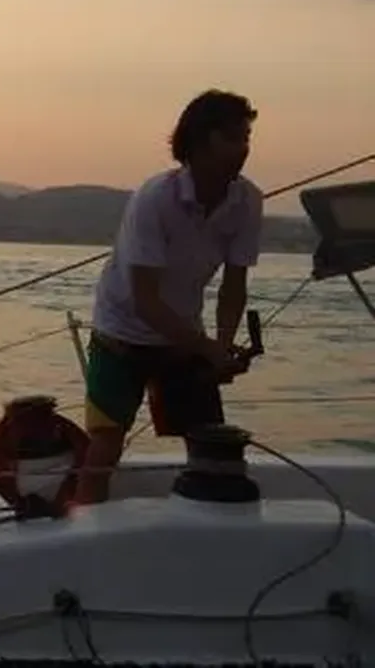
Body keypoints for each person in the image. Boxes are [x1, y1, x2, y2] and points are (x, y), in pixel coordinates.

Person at [74, 89, 264, 505]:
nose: (243, 149)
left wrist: (222, 346)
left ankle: (209, 522)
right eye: (232, 138)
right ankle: (84, 524)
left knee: (210, 443)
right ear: (200, 142)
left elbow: (234, 285)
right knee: (105, 447)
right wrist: (207, 348)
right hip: (121, 333)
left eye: (246, 137)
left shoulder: (247, 201)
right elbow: (145, 301)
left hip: (182, 335)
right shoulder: (155, 198)